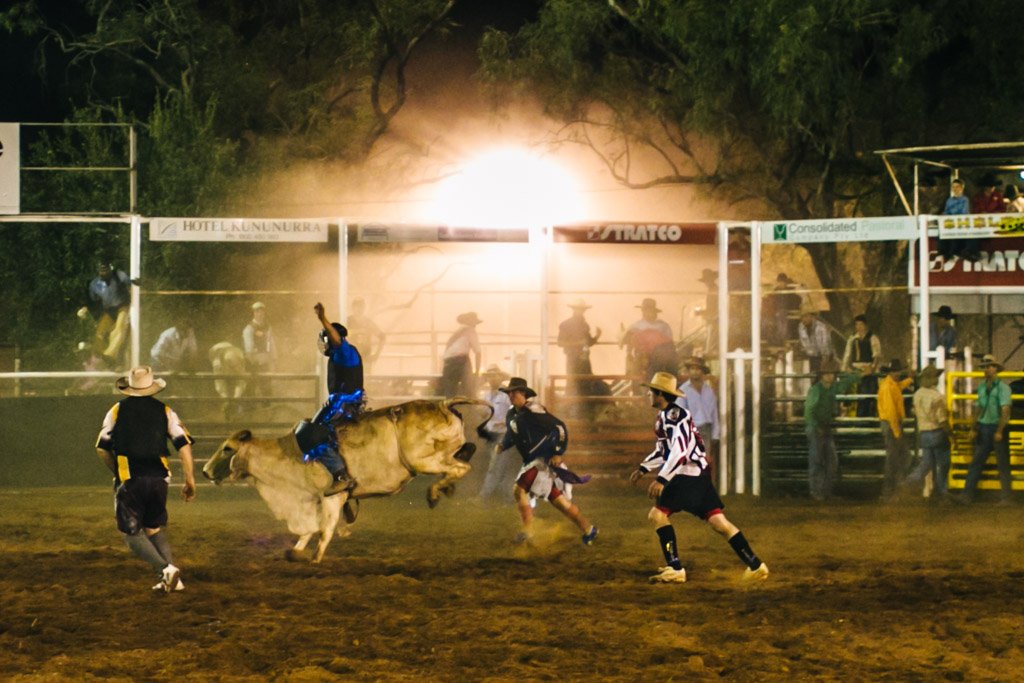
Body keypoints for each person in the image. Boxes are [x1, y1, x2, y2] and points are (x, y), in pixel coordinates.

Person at [629, 371, 768, 584]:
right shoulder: (666, 418)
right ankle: (756, 565)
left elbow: (679, 450)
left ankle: (675, 567)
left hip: (684, 477)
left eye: (651, 392)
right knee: (719, 522)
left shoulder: (675, 417)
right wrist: (644, 468)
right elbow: (664, 450)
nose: (648, 395)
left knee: (657, 515)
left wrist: (662, 479)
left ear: (660, 394)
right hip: (696, 477)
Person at [94, 366, 196, 593]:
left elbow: (102, 448)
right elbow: (183, 444)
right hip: (160, 479)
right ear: (152, 388)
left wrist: (118, 473)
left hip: (131, 478)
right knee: (153, 528)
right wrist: (190, 479)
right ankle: (173, 580)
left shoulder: (116, 411)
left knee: (131, 535)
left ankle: (164, 570)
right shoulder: (165, 411)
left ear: (128, 388)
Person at [498, 377, 598, 546]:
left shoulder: (534, 411)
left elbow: (559, 427)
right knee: (561, 503)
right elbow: (512, 433)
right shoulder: (511, 414)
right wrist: (504, 444)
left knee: (519, 489)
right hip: (532, 461)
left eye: (513, 392)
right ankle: (589, 529)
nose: (510, 395)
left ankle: (528, 531)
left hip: (541, 461)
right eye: (509, 392)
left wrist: (558, 452)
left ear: (523, 393)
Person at [305, 302, 365, 497]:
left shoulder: (344, 351)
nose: (325, 342)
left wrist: (322, 318)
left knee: (312, 435)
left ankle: (340, 475)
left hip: (343, 404)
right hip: (344, 402)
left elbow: (337, 340)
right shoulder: (343, 353)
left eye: (327, 338)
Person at [804, 358, 862, 501]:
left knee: (828, 460)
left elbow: (846, 382)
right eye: (828, 373)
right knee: (819, 459)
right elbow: (809, 412)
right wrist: (816, 427)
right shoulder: (817, 389)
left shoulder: (827, 388)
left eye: (832, 374)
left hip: (822, 426)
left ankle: (822, 491)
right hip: (817, 427)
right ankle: (818, 491)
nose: (831, 376)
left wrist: (859, 374)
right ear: (822, 375)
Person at [960, 354, 1013, 505]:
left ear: (995, 368)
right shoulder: (983, 387)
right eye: (984, 367)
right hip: (985, 427)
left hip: (995, 427)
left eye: (988, 366)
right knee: (978, 461)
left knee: (1002, 463)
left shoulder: (1003, 388)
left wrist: (999, 430)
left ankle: (1006, 497)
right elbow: (979, 407)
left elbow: (1005, 411)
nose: (985, 369)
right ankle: (967, 495)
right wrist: (974, 426)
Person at [902, 364, 951, 501]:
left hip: (923, 433)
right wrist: (951, 434)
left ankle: (908, 483)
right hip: (936, 431)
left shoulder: (917, 394)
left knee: (926, 463)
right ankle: (942, 491)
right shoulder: (937, 397)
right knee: (944, 462)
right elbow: (942, 420)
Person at [557, 298, 609, 419]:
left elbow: (588, 342)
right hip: (573, 359)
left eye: (582, 309)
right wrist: (578, 343)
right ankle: (574, 413)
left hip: (584, 359)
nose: (581, 311)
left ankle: (583, 413)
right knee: (574, 384)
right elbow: (560, 342)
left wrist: (596, 337)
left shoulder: (584, 324)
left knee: (585, 384)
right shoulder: (566, 324)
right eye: (579, 309)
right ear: (574, 310)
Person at [79, 261, 132, 369]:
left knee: (118, 330)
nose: (104, 273)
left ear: (110, 269)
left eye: (106, 270)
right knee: (100, 332)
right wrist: (85, 308)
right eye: (101, 270)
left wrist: (134, 283)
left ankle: (110, 356)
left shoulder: (118, 275)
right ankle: (99, 357)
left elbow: (130, 283)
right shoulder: (94, 284)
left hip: (123, 307)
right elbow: (92, 301)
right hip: (109, 310)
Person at [477, 365, 516, 503]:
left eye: (495, 375)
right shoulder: (487, 396)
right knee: (499, 466)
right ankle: (507, 498)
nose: (492, 378)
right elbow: (484, 414)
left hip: (503, 435)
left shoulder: (507, 395)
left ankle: (484, 496)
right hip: (492, 434)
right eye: (490, 376)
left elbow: (515, 413)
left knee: (495, 466)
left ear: (500, 377)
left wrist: (506, 423)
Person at [877, 359, 914, 501]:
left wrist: (909, 379)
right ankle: (889, 491)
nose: (898, 373)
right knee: (895, 458)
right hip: (891, 424)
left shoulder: (891, 385)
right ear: (891, 372)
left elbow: (900, 386)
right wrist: (897, 432)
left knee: (897, 457)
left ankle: (893, 490)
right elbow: (891, 413)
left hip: (892, 424)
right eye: (896, 371)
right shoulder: (887, 387)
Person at [680, 357, 719, 481]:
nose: (695, 372)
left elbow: (714, 415)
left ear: (702, 372)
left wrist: (715, 435)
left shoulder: (709, 391)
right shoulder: (682, 391)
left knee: (703, 464)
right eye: (692, 369)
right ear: (688, 371)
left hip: (706, 430)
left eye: (698, 369)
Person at [622, 298, 677, 381]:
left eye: (650, 310)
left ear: (655, 312)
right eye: (645, 310)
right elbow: (629, 345)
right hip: (641, 357)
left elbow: (669, 344)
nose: (647, 312)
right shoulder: (636, 326)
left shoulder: (663, 326)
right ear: (643, 311)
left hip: (660, 357)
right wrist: (630, 356)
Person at [840, 314, 882, 417]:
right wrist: (844, 369)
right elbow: (847, 355)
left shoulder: (872, 338)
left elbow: (877, 355)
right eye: (856, 325)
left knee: (867, 396)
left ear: (865, 325)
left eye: (861, 324)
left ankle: (866, 417)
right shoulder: (852, 339)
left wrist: (871, 368)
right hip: (855, 370)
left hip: (868, 371)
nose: (858, 327)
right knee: (852, 396)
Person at [438, 312, 482, 397]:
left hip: (448, 362)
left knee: (450, 392)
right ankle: (471, 406)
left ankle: (450, 407)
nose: (475, 325)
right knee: (469, 390)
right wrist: (476, 372)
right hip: (460, 361)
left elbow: (447, 349)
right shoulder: (470, 330)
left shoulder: (456, 333)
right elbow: (478, 352)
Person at [242, 301, 276, 396]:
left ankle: (267, 408)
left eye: (262, 311)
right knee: (251, 386)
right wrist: (252, 359)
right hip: (253, 362)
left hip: (265, 360)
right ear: (254, 313)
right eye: (257, 311)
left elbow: (270, 343)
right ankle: (251, 408)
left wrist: (272, 358)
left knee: (266, 387)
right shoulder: (249, 328)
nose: (260, 314)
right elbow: (249, 346)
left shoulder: (267, 327)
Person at [208, 341, 247, 420]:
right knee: (239, 380)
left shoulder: (213, 351)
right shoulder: (217, 361)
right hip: (227, 357)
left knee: (223, 385)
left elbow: (241, 379)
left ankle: (230, 404)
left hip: (222, 359)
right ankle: (232, 404)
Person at [346, 298, 386, 372]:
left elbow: (382, 337)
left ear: (364, 308)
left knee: (365, 380)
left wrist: (377, 354)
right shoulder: (347, 321)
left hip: (366, 356)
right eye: (357, 306)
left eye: (361, 307)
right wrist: (358, 331)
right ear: (353, 308)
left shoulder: (368, 323)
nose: (359, 309)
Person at [797, 304, 834, 374]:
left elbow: (825, 344)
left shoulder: (821, 327)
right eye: (802, 317)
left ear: (812, 317)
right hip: (812, 356)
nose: (803, 319)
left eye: (806, 316)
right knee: (813, 377)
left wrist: (824, 359)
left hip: (825, 356)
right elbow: (803, 343)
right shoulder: (801, 327)